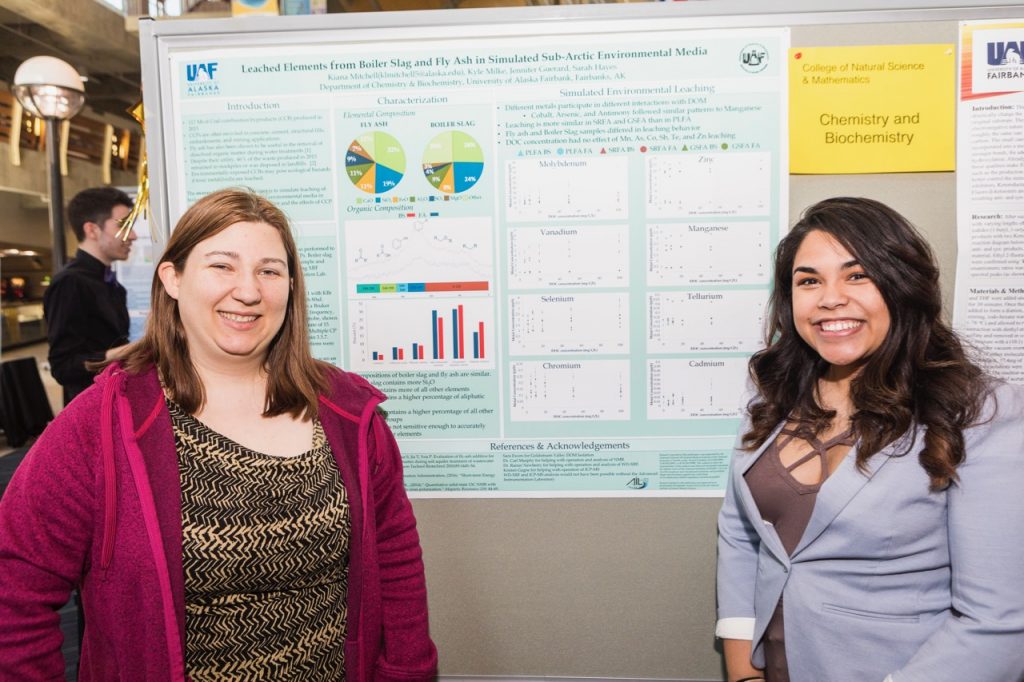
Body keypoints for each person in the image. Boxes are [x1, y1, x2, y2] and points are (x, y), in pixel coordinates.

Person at [0, 188, 438, 680]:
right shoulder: (100, 426)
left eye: (269, 271)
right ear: (173, 278)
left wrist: (408, 670)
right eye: (222, 266)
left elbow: (394, 555)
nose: (248, 291)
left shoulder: (346, 412)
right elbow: (15, 590)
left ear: (291, 286)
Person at [715, 197, 1024, 682]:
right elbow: (741, 532)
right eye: (809, 281)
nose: (830, 298)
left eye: (857, 275)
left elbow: (997, 622)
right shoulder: (772, 391)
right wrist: (743, 672)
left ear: (902, 285)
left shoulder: (980, 412)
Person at [44, 186, 137, 405]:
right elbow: (64, 366)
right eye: (123, 225)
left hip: (115, 400)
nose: (133, 235)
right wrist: (130, 350)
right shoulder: (70, 283)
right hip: (91, 408)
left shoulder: (111, 284)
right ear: (92, 230)